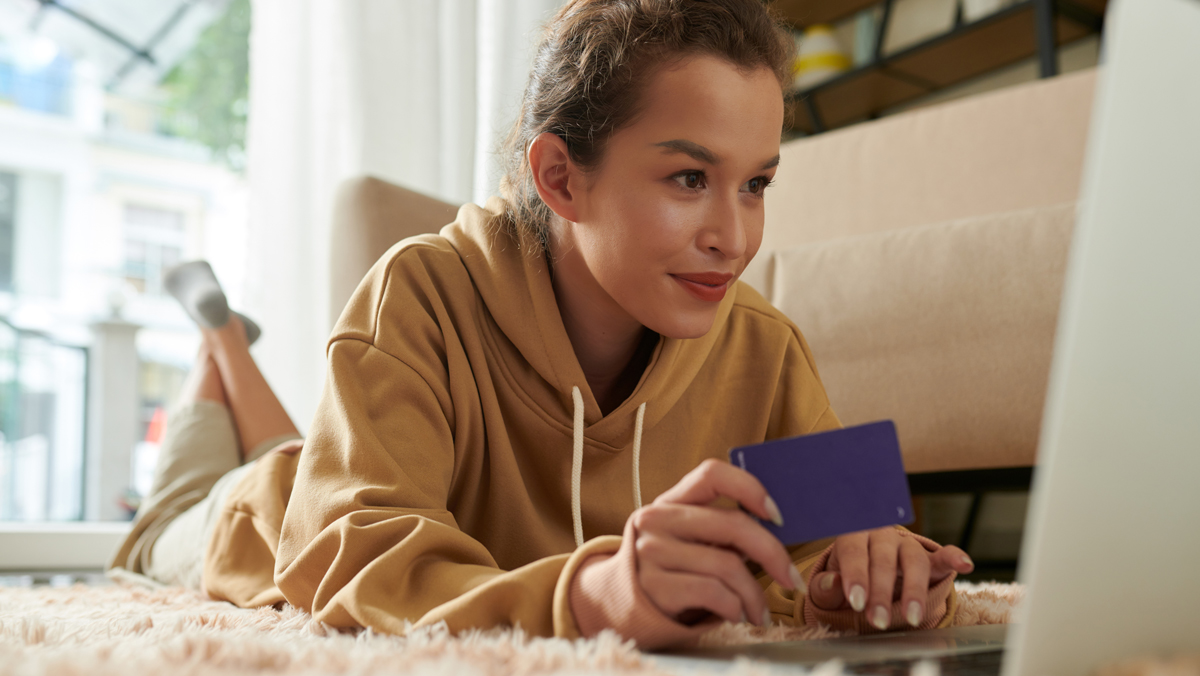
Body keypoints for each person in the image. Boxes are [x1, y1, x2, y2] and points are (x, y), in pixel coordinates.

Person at [110, 0, 974, 649]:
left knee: (291, 451)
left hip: (340, 462)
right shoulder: (416, 293)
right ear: (561, 177)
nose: (735, 236)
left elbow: (837, 541)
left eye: (756, 184)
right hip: (260, 519)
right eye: (687, 179)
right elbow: (356, 558)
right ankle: (218, 343)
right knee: (188, 507)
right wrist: (594, 594)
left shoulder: (762, 346)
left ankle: (228, 344)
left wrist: (862, 573)